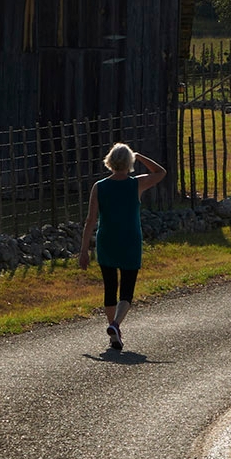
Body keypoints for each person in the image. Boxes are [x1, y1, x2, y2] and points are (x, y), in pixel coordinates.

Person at [76, 140, 167, 352]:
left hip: (106, 240)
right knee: (126, 289)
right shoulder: (136, 183)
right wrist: (140, 156)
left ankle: (112, 332)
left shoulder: (99, 187)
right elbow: (161, 172)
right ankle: (115, 325)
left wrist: (83, 251)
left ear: (109, 161)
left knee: (110, 287)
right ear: (129, 162)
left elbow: (90, 220)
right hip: (129, 241)